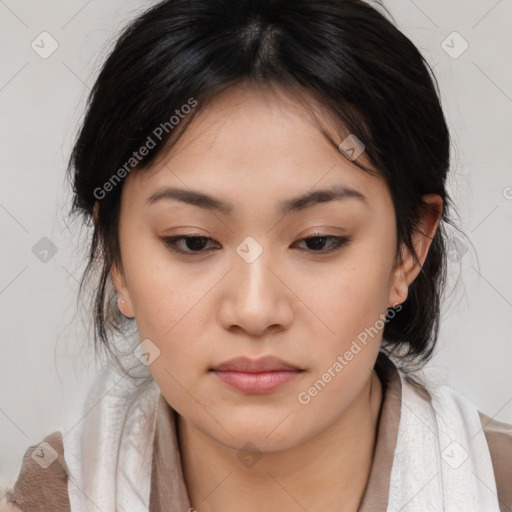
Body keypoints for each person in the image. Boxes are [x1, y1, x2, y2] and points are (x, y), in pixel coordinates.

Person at [2, 0, 511, 511]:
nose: (254, 310)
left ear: (409, 249)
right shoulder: (55, 496)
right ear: (115, 256)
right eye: (193, 242)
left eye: (317, 241)